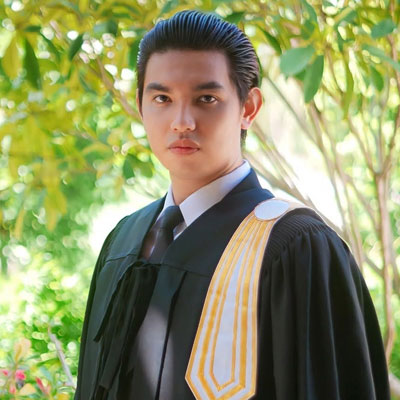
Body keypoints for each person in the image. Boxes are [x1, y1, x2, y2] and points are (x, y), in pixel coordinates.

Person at [75, 10, 390, 400]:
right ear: (141, 105)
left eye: (206, 98)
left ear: (248, 108)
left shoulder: (295, 247)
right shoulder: (123, 242)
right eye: (162, 98)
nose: (182, 121)